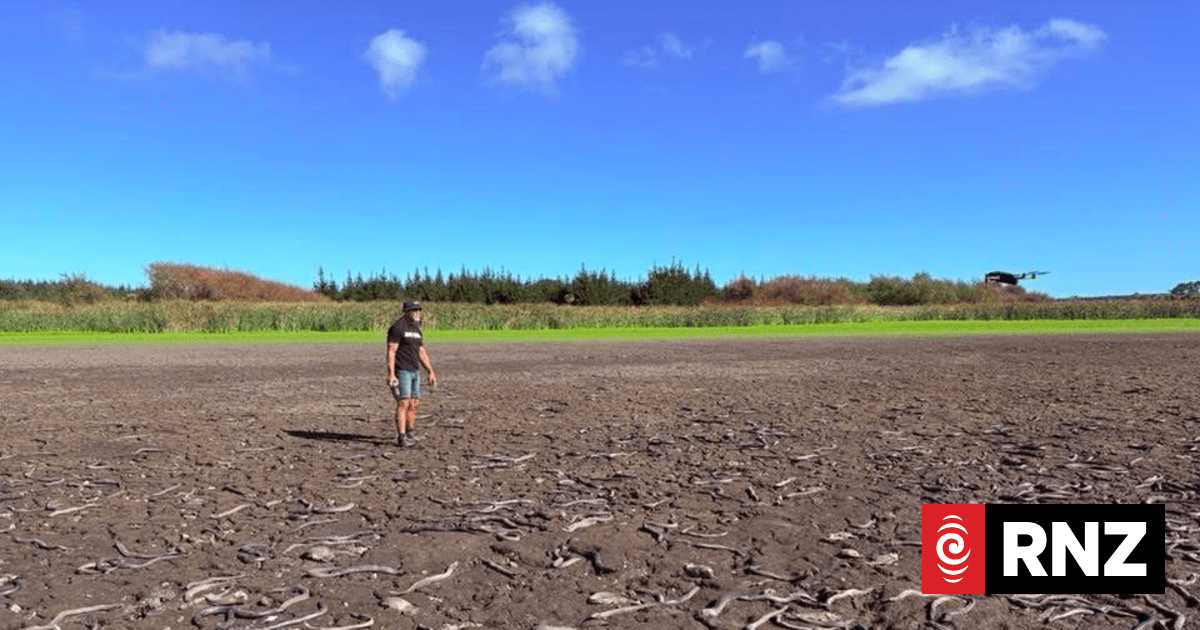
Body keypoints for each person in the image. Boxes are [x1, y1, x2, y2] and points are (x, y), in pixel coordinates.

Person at [386, 299, 437, 447]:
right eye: (415, 310)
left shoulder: (416, 329)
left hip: (415, 370)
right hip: (402, 370)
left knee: (414, 403)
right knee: (404, 403)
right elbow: (391, 351)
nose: (418, 313)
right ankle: (401, 437)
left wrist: (430, 371)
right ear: (406, 312)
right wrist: (391, 374)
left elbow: (421, 352)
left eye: (419, 310)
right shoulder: (397, 328)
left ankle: (410, 432)